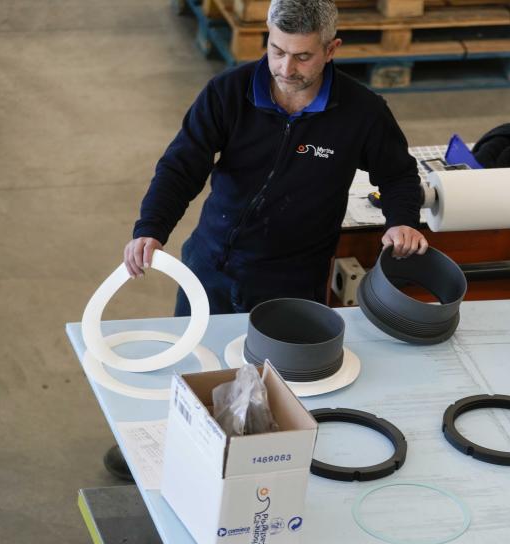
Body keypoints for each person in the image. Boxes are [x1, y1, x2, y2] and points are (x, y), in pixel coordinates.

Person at [105, 0, 428, 481]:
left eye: (302, 57)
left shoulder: (360, 113)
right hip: (212, 263)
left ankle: (252, 465)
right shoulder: (228, 93)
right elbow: (182, 164)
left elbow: (399, 175)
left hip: (291, 277)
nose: (285, 68)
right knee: (194, 364)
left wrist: (402, 220)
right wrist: (150, 228)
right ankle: (171, 445)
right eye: (277, 51)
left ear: (331, 50)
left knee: (269, 385)